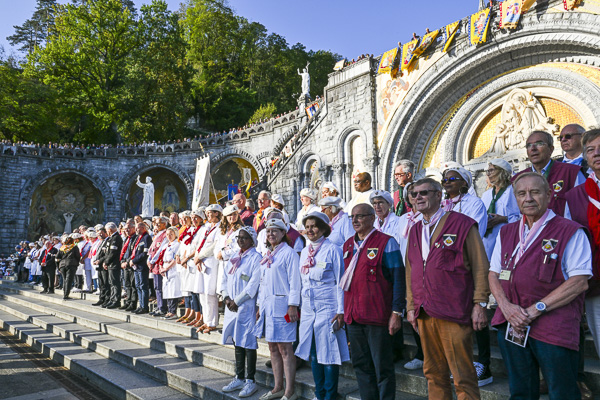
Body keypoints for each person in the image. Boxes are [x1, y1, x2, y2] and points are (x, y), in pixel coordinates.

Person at [489, 172, 592, 399]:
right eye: (521, 193)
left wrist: (535, 310)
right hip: (512, 324)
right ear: (515, 198)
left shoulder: (570, 230)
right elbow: (494, 274)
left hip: (554, 326)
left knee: (562, 392)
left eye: (535, 192)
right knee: (521, 391)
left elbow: (579, 282)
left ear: (549, 194)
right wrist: (506, 307)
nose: (528, 198)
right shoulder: (507, 231)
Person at [405, 178, 490, 399]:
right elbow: (410, 271)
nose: (418, 197)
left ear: (438, 195)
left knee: (462, 376)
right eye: (414, 194)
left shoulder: (462, 224)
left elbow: (481, 265)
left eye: (424, 193)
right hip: (424, 311)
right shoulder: (414, 230)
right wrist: (411, 307)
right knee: (433, 373)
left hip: (453, 310)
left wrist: (480, 303)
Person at [340, 203, 405, 400]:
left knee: (382, 367)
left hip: (377, 316)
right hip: (354, 315)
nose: (355, 220)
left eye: (360, 216)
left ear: (371, 218)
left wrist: (396, 312)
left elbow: (398, 279)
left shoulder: (387, 242)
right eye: (353, 217)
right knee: (361, 365)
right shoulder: (348, 245)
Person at [295, 212, 349, 400]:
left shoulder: (333, 250)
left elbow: (340, 283)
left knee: (329, 353)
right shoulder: (304, 252)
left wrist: (340, 311)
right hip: (309, 309)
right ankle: (319, 393)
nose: (310, 230)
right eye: (307, 227)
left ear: (324, 228)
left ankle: (330, 395)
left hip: (328, 308)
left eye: (314, 226)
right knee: (313, 353)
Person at [565, 129, 600, 400]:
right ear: (585, 157)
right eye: (590, 150)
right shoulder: (575, 196)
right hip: (596, 280)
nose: (596, 153)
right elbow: (571, 239)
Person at [254, 218, 301, 400]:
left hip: (284, 307)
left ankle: (290, 391)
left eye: (275, 231)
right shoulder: (268, 254)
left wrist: (293, 305)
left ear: (283, 234)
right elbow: (263, 283)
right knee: (272, 347)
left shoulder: (289, 254)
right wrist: (259, 305)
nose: (271, 234)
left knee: (285, 348)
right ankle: (277, 387)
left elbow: (295, 281)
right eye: (268, 231)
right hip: (268, 306)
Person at [220, 226, 262, 398]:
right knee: (238, 341)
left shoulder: (256, 258)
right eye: (239, 237)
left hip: (246, 307)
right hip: (232, 307)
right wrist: (227, 297)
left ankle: (250, 380)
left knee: (248, 342)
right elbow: (224, 279)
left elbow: (253, 284)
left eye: (244, 238)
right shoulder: (234, 257)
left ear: (252, 240)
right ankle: (239, 376)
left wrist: (236, 301)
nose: (241, 241)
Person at [512, 130, 585, 216]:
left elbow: (583, 209)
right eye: (529, 145)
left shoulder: (571, 172)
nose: (533, 148)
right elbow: (515, 214)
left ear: (551, 149)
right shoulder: (517, 179)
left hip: (563, 228)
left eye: (539, 144)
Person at [481, 159, 520, 259]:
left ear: (502, 171)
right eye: (487, 171)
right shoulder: (486, 195)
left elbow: (523, 217)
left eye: (491, 170)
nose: (488, 174)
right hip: (488, 239)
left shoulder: (514, 191)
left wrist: (503, 219)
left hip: (507, 237)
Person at [194, 204, 222, 334]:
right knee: (202, 293)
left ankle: (212, 322)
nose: (208, 215)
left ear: (217, 213)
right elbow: (199, 244)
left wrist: (200, 256)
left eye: (210, 213)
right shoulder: (205, 227)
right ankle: (206, 320)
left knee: (210, 294)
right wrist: (197, 258)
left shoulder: (220, 227)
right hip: (201, 262)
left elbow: (214, 246)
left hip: (210, 262)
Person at [442, 166, 488, 239]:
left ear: (464, 183)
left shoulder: (475, 203)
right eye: (444, 180)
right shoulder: (440, 204)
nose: (447, 182)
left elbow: (477, 232)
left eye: (452, 179)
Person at [177, 209, 205, 325]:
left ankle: (199, 315)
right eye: (192, 218)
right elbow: (184, 245)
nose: (193, 220)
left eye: (195, 217)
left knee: (196, 291)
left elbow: (197, 247)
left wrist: (186, 258)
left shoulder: (202, 230)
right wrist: (178, 255)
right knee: (190, 291)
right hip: (187, 264)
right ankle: (192, 313)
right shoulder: (191, 230)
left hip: (194, 262)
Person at [130, 222, 153, 314]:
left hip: (142, 266)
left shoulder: (146, 238)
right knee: (138, 286)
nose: (136, 230)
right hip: (136, 267)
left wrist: (134, 261)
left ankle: (144, 306)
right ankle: (141, 305)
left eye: (137, 228)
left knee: (143, 286)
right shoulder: (138, 238)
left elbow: (144, 253)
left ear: (143, 228)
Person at [159, 227, 181, 319]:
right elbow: (161, 257)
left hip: (172, 269)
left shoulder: (177, 245)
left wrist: (166, 268)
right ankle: (169, 310)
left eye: (171, 234)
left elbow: (175, 258)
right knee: (167, 290)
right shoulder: (166, 245)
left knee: (173, 291)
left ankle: (173, 311)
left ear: (175, 234)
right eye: (167, 234)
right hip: (165, 268)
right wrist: (161, 268)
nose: (169, 236)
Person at [149, 217, 169, 317]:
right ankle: (159, 305)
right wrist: (149, 259)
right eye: (155, 224)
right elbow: (151, 249)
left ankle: (162, 307)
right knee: (156, 286)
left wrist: (152, 261)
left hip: (158, 263)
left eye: (158, 224)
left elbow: (160, 250)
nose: (156, 226)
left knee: (160, 287)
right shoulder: (157, 235)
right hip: (154, 264)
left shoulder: (165, 235)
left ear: (164, 224)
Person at [99, 222, 123, 309]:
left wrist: (106, 262)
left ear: (110, 230)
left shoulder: (116, 238)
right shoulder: (111, 238)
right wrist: (106, 262)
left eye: (106, 230)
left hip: (114, 264)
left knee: (115, 283)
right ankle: (112, 299)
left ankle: (116, 300)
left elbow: (113, 253)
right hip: (110, 264)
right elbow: (107, 253)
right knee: (111, 283)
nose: (106, 232)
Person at [55, 235, 81, 300]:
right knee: (69, 280)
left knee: (64, 280)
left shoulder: (62, 248)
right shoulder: (74, 247)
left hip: (62, 265)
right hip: (71, 265)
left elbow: (56, 258)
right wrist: (76, 263)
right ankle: (66, 295)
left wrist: (58, 267)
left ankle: (65, 294)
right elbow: (78, 256)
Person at [119, 222, 138, 311]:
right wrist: (122, 261)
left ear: (134, 228)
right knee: (127, 285)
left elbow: (134, 252)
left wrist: (126, 262)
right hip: (125, 265)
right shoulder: (127, 238)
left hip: (131, 265)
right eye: (125, 229)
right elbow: (123, 251)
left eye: (129, 228)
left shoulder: (135, 238)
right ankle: (128, 301)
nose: (127, 230)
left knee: (132, 285)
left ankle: (133, 303)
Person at [91, 227, 110, 307]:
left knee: (106, 283)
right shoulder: (100, 242)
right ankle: (101, 298)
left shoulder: (108, 241)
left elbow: (107, 254)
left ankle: (106, 299)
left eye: (102, 233)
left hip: (104, 265)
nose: (100, 235)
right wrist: (96, 260)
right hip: (99, 265)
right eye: (99, 234)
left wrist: (100, 260)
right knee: (101, 283)